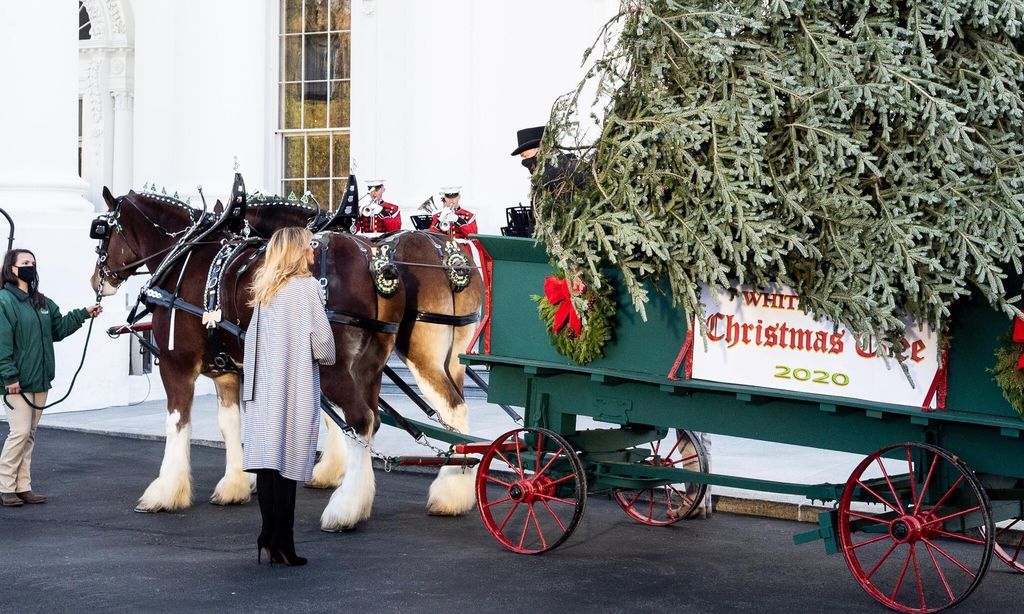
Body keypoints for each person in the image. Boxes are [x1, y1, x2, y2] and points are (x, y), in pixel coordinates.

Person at [242, 227, 336, 566]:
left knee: (268, 466)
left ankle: (269, 536)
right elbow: (323, 345)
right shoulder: (307, 289)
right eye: (309, 246)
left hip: (262, 389)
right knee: (289, 466)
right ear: (297, 252)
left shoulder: (265, 289)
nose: (314, 251)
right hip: (291, 387)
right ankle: (284, 543)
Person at [0, 249, 102, 507]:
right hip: (16, 383)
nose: (30, 266)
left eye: (33, 263)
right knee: (19, 432)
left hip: (41, 380)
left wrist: (83, 314)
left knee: (30, 434)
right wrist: (9, 377)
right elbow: (2, 344)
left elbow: (58, 329)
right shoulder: (4, 301)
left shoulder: (42, 301)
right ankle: (5, 486)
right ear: (12, 269)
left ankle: (23, 486)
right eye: (25, 263)